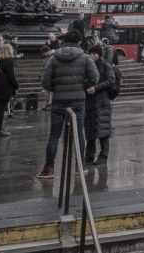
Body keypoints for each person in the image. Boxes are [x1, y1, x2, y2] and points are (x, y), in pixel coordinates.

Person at [37, 31, 98, 179]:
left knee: (54, 136)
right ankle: (79, 166)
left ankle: (49, 168)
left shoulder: (54, 58)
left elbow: (45, 81)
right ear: (78, 42)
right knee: (78, 135)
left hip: (58, 101)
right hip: (78, 100)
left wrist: (56, 89)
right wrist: (83, 87)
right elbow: (95, 77)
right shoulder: (85, 57)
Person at [83, 45, 116, 165]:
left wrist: (96, 88)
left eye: (95, 54)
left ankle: (103, 155)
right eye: (90, 54)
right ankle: (89, 155)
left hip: (102, 101)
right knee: (90, 130)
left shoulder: (106, 65)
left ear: (99, 54)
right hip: (90, 102)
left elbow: (110, 80)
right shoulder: (87, 66)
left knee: (103, 130)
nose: (92, 56)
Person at [0, 40, 19, 137]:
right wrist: (16, 85)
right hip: (4, 89)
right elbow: (11, 77)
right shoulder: (9, 62)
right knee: (1, 109)